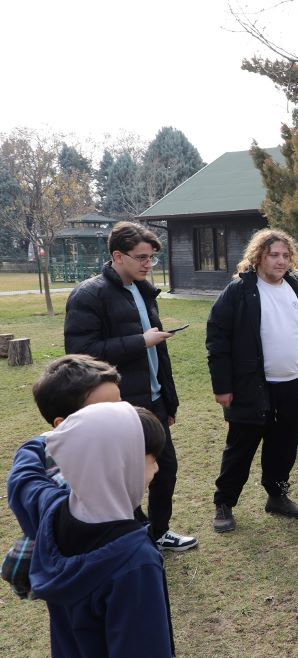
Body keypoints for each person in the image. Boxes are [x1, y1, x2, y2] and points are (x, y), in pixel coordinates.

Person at [7, 401, 175, 658]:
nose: (156, 469)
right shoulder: (135, 561)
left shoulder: (52, 510)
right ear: (122, 464)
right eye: (151, 459)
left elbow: (24, 480)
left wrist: (70, 439)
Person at [64, 221, 196, 552]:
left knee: (165, 470)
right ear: (117, 256)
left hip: (153, 401)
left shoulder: (142, 289)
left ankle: (159, 532)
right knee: (127, 479)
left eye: (151, 258)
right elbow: (81, 355)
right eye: (141, 257)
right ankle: (134, 537)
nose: (148, 264)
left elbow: (157, 354)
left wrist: (168, 401)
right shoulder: (89, 294)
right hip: (118, 407)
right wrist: (140, 341)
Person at [206, 228, 298, 533]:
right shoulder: (239, 291)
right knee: (241, 446)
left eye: (285, 255)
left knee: (283, 445)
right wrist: (222, 386)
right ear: (258, 257)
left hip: (293, 383)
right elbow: (217, 339)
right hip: (251, 385)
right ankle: (224, 503)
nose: (281, 261)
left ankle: (277, 495)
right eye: (274, 255)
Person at [2, 354, 121, 599]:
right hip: (78, 582)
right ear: (63, 424)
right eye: (106, 411)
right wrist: (39, 444)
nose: (121, 415)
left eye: (121, 404)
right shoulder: (57, 469)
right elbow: (31, 506)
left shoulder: (118, 446)